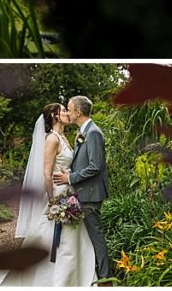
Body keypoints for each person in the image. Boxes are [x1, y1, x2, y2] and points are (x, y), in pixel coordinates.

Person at [0, 103, 95, 287]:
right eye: (64, 111)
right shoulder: (52, 139)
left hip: (69, 191)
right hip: (58, 193)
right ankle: (54, 278)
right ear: (54, 115)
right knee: (53, 234)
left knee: (71, 234)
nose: (67, 113)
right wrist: (52, 200)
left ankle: (76, 274)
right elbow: (46, 173)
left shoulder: (64, 137)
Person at [53, 95, 112, 281]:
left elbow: (96, 166)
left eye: (69, 109)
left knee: (96, 236)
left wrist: (70, 177)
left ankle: (105, 278)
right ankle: (94, 272)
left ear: (78, 112)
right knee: (89, 237)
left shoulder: (93, 133)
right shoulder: (84, 132)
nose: (68, 113)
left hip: (91, 194)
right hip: (84, 192)